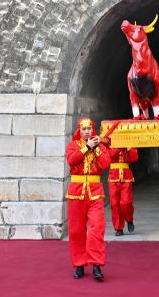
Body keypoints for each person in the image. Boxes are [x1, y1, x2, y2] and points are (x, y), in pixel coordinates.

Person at [65, 117, 110, 281]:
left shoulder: (101, 146)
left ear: (93, 130)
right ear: (79, 130)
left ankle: (96, 264)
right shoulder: (73, 145)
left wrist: (96, 148)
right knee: (76, 230)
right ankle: (79, 264)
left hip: (95, 193)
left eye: (89, 128)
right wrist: (87, 147)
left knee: (97, 228)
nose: (87, 131)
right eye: (84, 129)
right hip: (76, 193)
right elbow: (71, 160)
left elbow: (105, 164)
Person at [103, 136, 137, 236]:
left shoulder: (130, 140)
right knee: (115, 204)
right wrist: (118, 147)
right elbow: (109, 156)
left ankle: (129, 219)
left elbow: (134, 158)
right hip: (113, 176)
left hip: (126, 176)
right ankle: (119, 227)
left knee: (126, 202)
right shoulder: (108, 142)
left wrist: (130, 148)